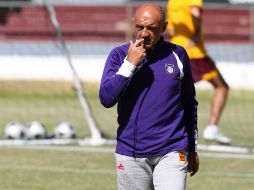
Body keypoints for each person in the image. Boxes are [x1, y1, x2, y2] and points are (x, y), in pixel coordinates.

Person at [99, 3, 199, 190]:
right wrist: (130, 64)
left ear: (164, 27)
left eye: (151, 28)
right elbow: (106, 98)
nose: (144, 33)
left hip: (172, 148)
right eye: (140, 27)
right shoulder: (119, 55)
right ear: (133, 24)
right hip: (131, 152)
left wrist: (192, 148)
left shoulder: (178, 55)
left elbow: (189, 103)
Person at [167, 0, 231, 144]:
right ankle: (212, 128)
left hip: (178, 51)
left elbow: (170, 29)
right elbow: (195, 13)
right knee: (222, 87)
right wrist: (195, 35)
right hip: (194, 52)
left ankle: (161, 123)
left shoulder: (172, 2)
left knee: (176, 91)